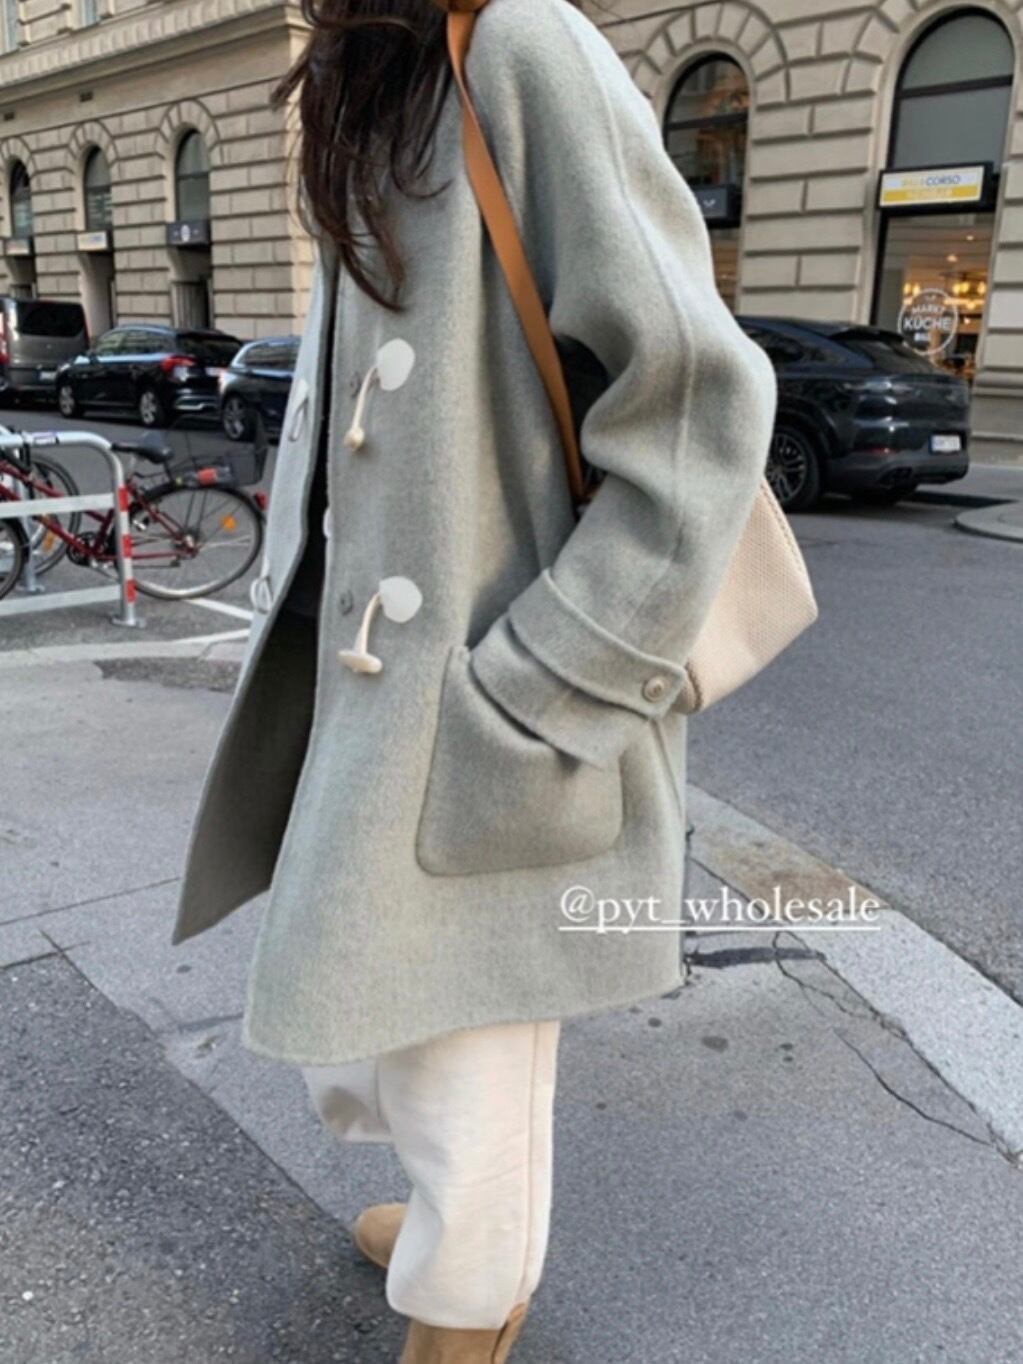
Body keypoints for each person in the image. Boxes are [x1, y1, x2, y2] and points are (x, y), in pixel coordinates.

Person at [172, 0, 778, 1358]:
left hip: (496, 688)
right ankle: (454, 1228)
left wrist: (548, 685)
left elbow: (697, 399)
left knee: (473, 1051)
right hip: (379, 689)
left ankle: (466, 1305)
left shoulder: (517, 44)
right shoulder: (385, 74)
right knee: (378, 1008)